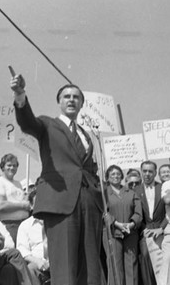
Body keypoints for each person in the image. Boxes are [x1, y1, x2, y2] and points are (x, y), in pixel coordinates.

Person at [11, 71, 103, 285]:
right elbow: (27, 123)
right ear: (59, 102)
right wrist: (20, 94)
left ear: (81, 104)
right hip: (61, 201)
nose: (71, 100)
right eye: (66, 96)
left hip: (89, 202)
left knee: (90, 264)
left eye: (76, 97)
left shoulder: (87, 134)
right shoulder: (47, 124)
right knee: (65, 262)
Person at [103, 165, 142, 285]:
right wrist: (116, 223)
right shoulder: (103, 194)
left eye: (118, 174)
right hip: (112, 233)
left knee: (131, 263)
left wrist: (131, 224)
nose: (116, 176)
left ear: (122, 176)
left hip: (130, 232)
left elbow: (138, 212)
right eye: (112, 174)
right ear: (107, 177)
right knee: (114, 264)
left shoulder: (131, 192)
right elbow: (103, 212)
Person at [133, 161, 167, 285]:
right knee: (146, 262)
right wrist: (143, 228)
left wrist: (162, 228)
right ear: (141, 172)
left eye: (150, 171)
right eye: (144, 171)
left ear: (155, 173)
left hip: (163, 232)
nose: (147, 174)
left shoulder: (163, 187)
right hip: (145, 232)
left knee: (166, 264)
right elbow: (135, 213)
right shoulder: (135, 190)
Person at [0, 153, 31, 244]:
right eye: (9, 165)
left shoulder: (18, 184)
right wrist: (23, 205)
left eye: (14, 165)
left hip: (23, 224)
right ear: (2, 167)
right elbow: (0, 205)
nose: (12, 168)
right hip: (10, 225)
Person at [17, 189, 50, 285]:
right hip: (37, 263)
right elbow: (22, 249)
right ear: (31, 206)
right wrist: (37, 261)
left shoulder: (57, 223)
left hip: (57, 262)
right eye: (38, 203)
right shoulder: (25, 225)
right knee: (29, 270)